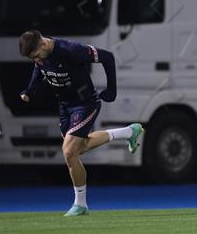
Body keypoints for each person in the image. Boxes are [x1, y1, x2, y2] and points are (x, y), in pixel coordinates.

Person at [18, 30, 143, 217]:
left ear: (43, 44)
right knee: (78, 149)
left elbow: (107, 57)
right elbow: (40, 67)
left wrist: (111, 90)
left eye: (36, 56)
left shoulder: (71, 50)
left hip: (85, 104)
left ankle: (80, 204)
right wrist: (30, 89)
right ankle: (128, 132)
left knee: (69, 152)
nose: (36, 60)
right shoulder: (41, 57)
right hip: (65, 107)